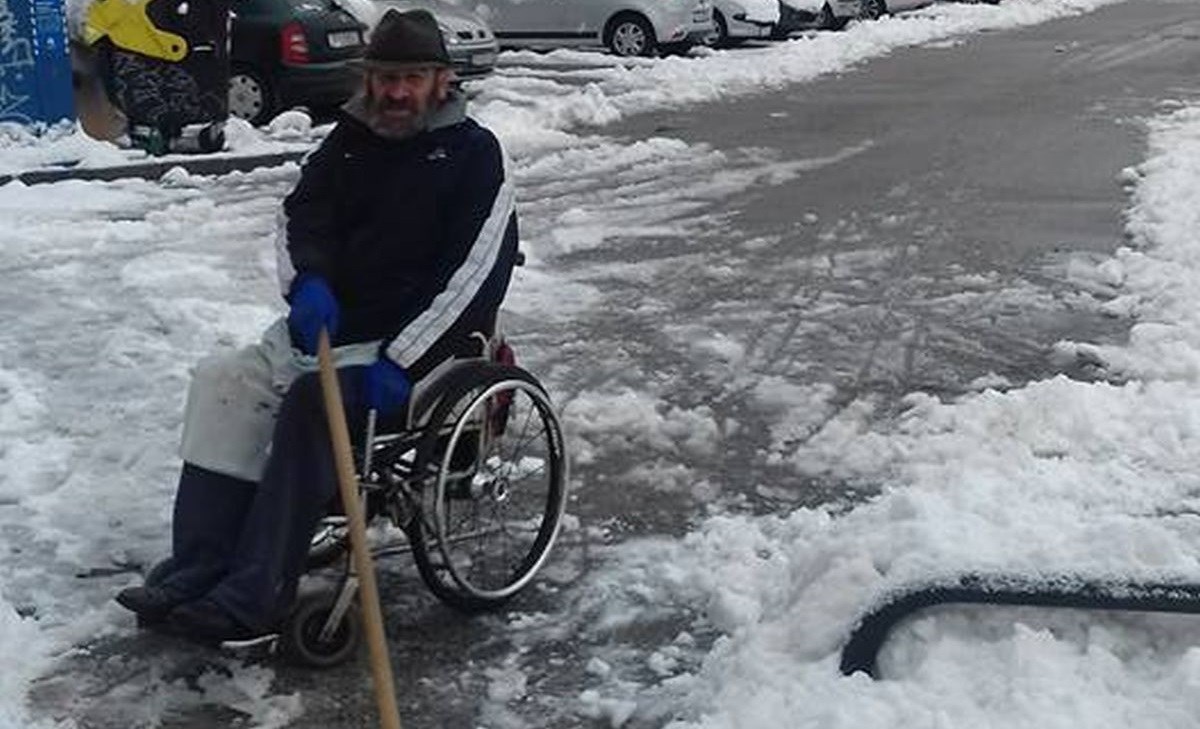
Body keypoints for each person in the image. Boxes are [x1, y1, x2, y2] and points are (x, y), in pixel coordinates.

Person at [114, 8, 520, 642]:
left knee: (312, 405)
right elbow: (300, 216)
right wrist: (308, 281)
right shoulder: (348, 142)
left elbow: (475, 275)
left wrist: (404, 359)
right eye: (384, 76)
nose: (394, 92)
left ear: (442, 81)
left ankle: (253, 596)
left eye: (411, 77)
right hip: (330, 334)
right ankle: (198, 565)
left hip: (421, 352)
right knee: (225, 382)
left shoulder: (474, 155)